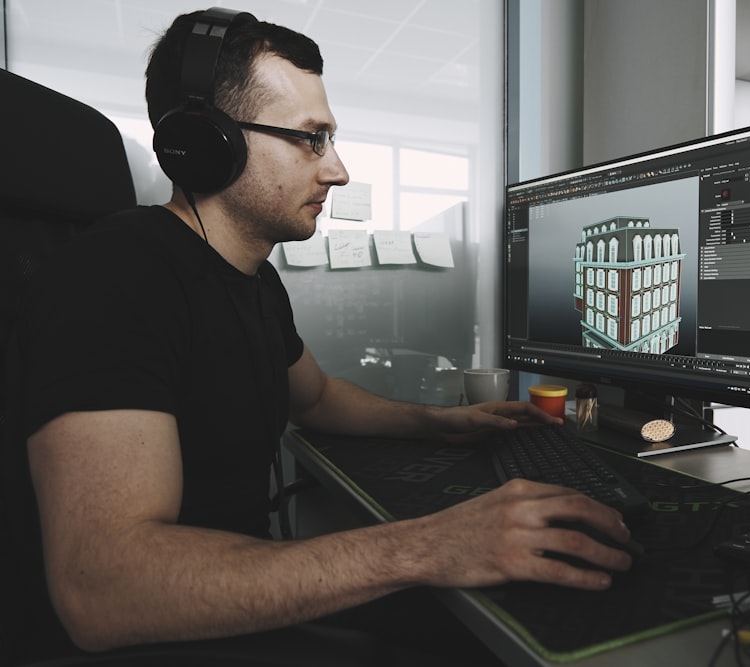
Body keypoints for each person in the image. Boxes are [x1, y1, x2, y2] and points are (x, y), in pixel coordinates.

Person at [14, 8, 634, 665]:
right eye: (312, 138)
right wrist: (427, 544)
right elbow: (100, 588)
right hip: (157, 637)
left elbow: (316, 397)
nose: (336, 170)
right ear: (205, 141)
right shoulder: (120, 274)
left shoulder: (252, 282)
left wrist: (440, 421)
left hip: (231, 603)